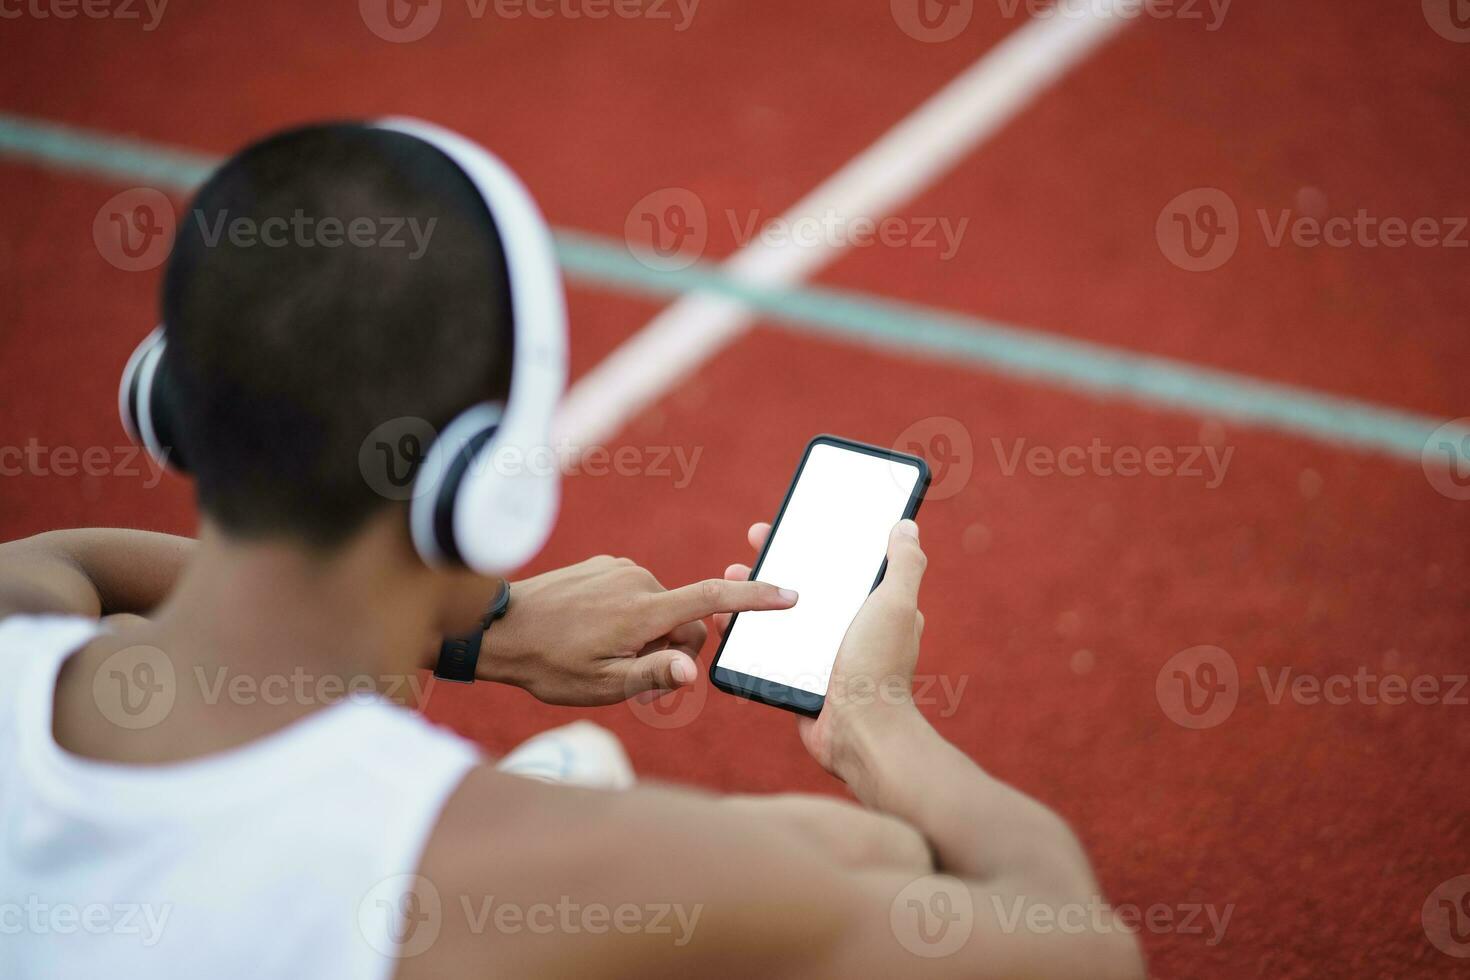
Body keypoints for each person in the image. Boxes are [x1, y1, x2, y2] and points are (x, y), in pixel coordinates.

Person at [0, 121, 1144, 979]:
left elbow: (69, 559)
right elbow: (1083, 946)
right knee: (886, 859)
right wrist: (875, 713)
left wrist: (482, 629)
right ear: (479, 489)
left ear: (174, 404)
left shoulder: (19, 624)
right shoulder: (474, 862)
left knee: (821, 853)